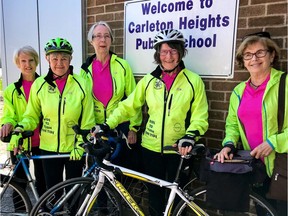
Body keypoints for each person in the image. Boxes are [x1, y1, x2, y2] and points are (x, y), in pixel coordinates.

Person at [93, 29, 209, 216]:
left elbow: (200, 116)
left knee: (177, 200)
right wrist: (108, 124)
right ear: (158, 54)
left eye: (173, 51)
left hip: (178, 149)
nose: (168, 56)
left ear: (180, 52)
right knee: (154, 197)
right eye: (163, 52)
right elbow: (128, 106)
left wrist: (190, 136)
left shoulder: (193, 81)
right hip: (150, 149)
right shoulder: (149, 81)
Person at [215, 31, 287, 215]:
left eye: (260, 52)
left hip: (283, 166)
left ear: (272, 55)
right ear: (243, 60)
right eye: (248, 54)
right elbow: (232, 125)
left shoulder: (285, 84)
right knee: (264, 211)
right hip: (256, 166)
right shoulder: (239, 91)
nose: (254, 58)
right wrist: (229, 144)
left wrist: (274, 142)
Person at [9, 38, 95, 191]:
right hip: (48, 147)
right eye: (55, 58)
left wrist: (81, 144)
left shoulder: (82, 84)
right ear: (47, 59)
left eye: (64, 58)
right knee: (52, 192)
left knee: (73, 193)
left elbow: (88, 120)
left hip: (74, 149)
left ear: (70, 59)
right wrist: (19, 129)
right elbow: (31, 116)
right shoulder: (39, 84)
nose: (59, 63)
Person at [80, 21, 142, 169]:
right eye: (98, 36)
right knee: (98, 173)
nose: (103, 40)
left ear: (111, 40)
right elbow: (83, 102)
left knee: (119, 172)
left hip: (120, 128)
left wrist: (134, 127)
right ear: (91, 41)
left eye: (107, 36)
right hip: (97, 129)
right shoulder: (85, 69)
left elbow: (134, 98)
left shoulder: (122, 65)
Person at [0, 46, 46, 197]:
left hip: (44, 141)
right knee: (19, 181)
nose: (28, 64)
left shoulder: (46, 86)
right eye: (23, 61)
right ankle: (21, 210)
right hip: (19, 141)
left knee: (43, 180)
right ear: (18, 64)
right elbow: (8, 114)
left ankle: (43, 209)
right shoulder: (11, 90)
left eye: (31, 60)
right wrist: (7, 123)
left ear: (36, 62)